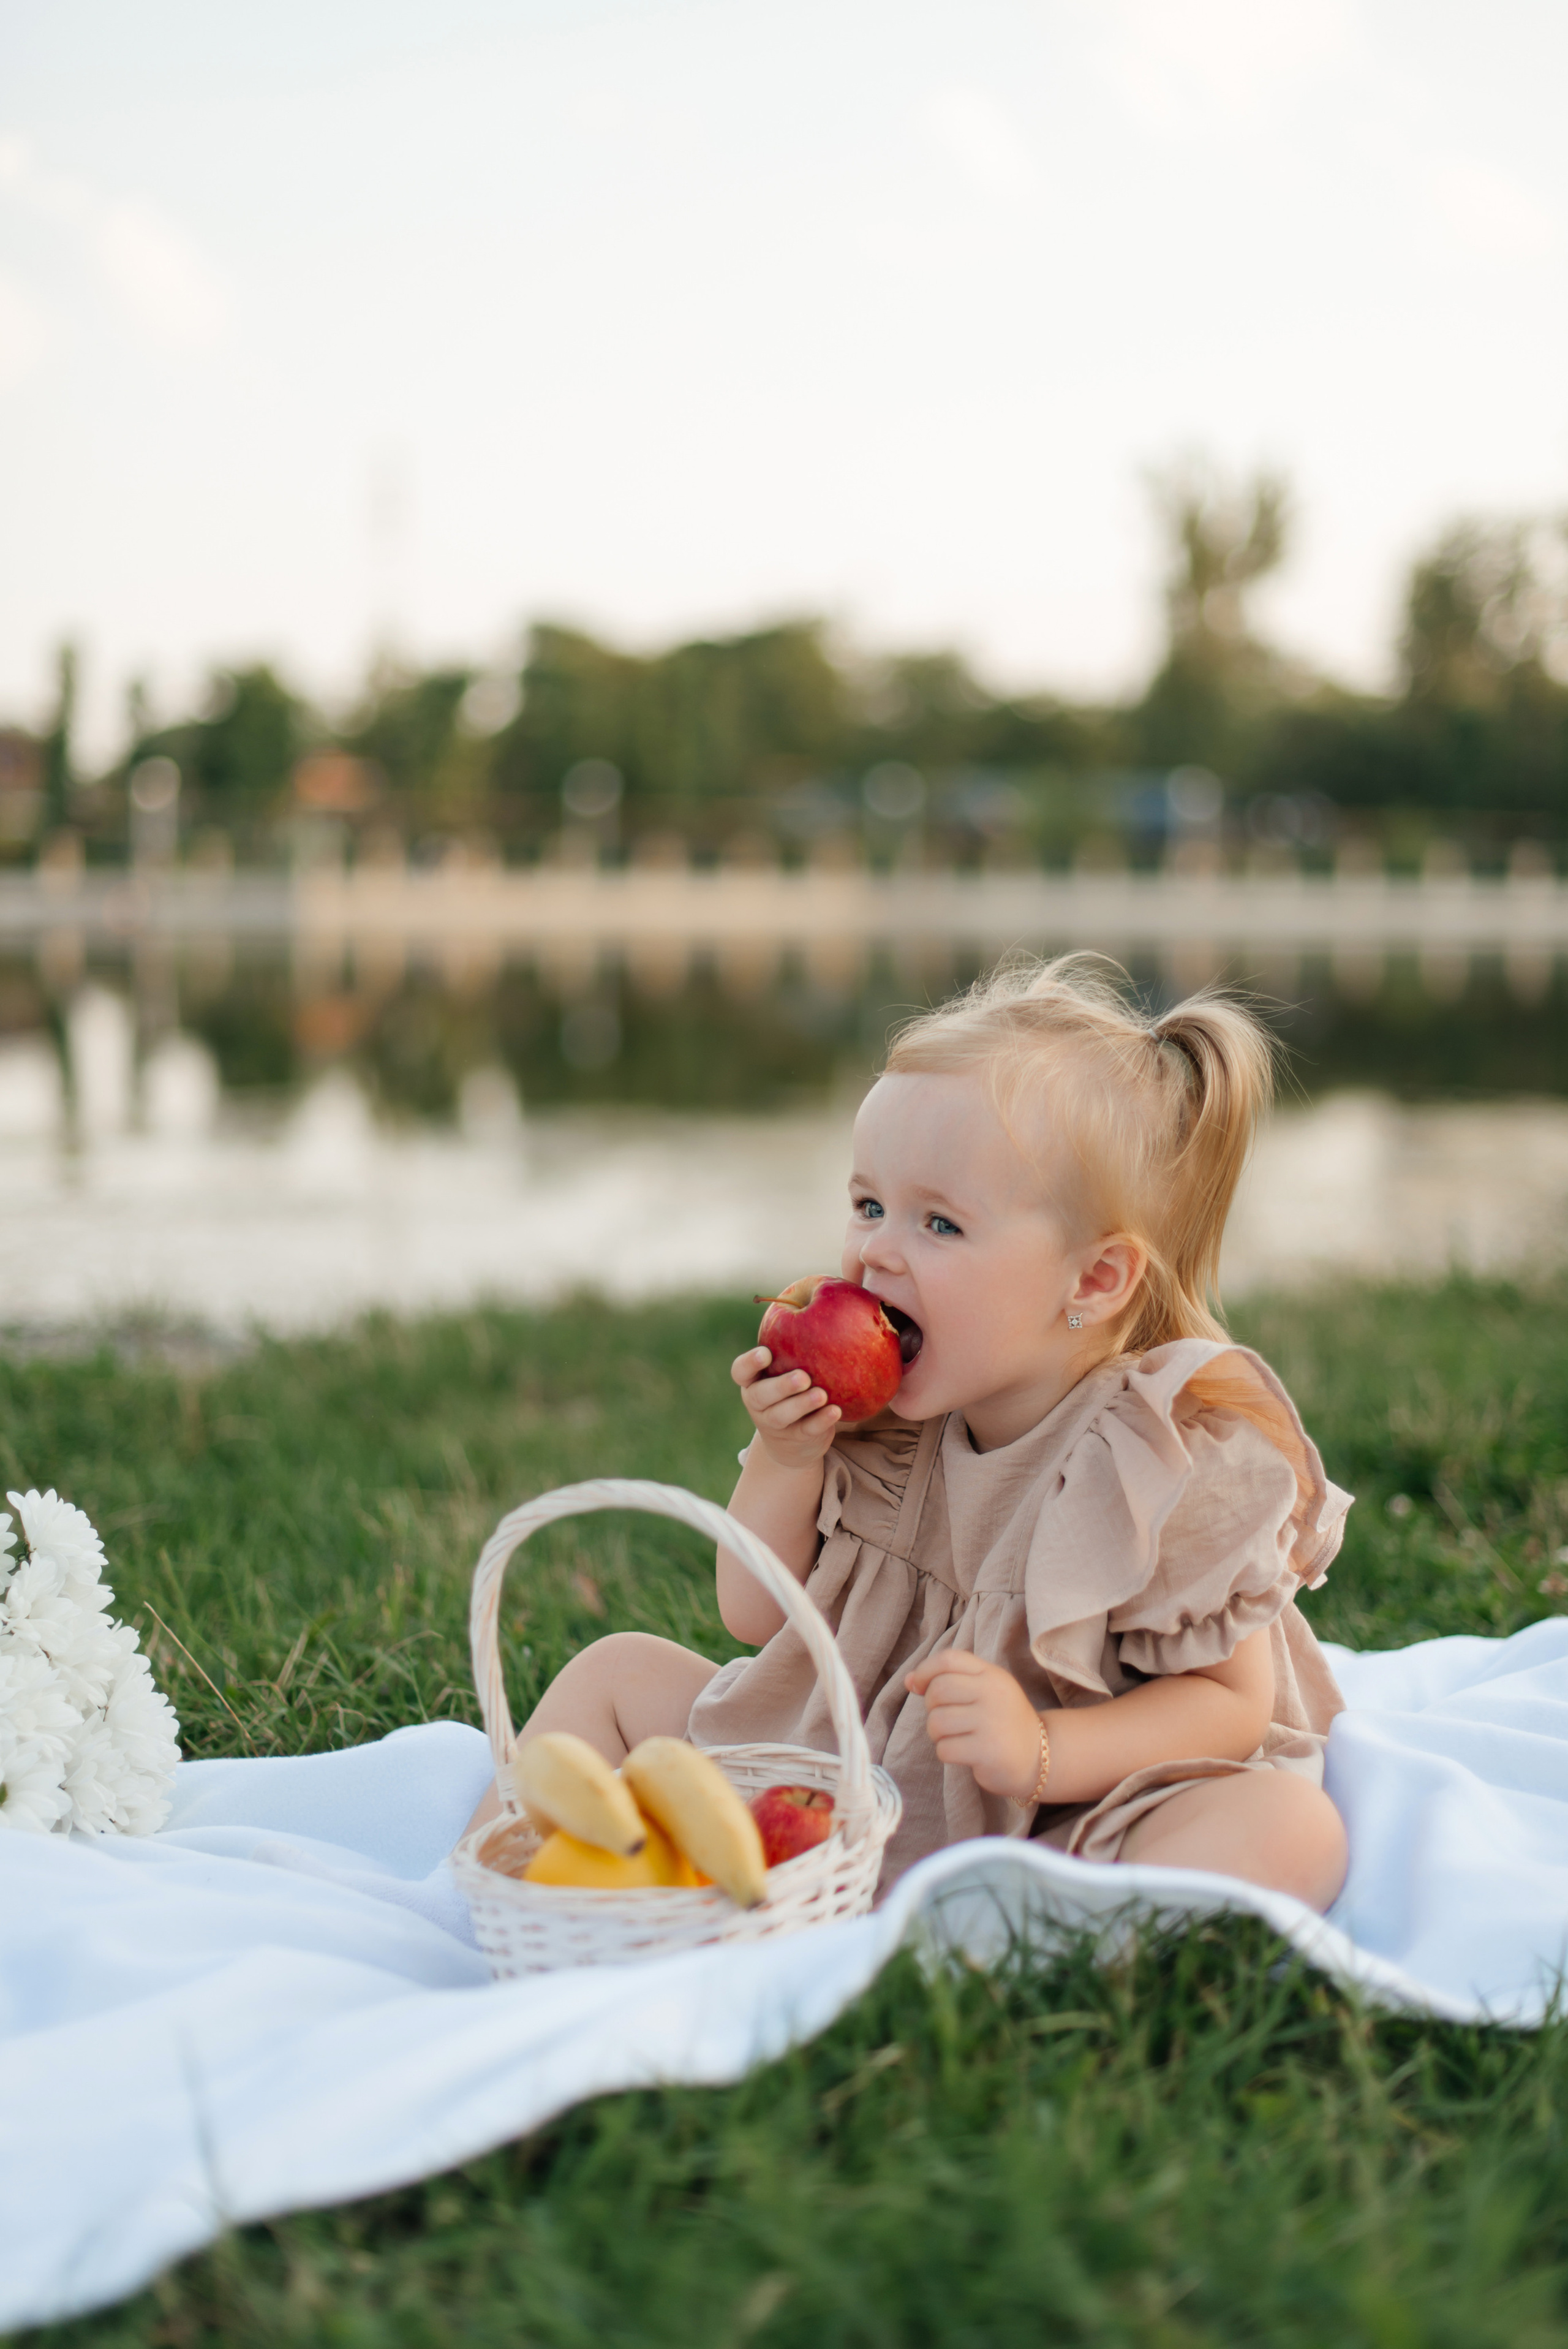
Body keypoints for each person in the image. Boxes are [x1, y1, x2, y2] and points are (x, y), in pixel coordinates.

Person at [466, 956, 1351, 1911]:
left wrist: (1044, 1749)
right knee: (614, 1672)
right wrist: (785, 1457)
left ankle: (1036, 1938)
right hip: (856, 1761)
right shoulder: (885, 1417)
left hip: (1064, 1814)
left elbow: (1229, 1705)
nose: (878, 1249)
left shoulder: (1158, 1454)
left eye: (939, 1223)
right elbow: (755, 1616)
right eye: (869, 1205)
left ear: (1093, 1281)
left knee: (1288, 1829)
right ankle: (492, 1895)